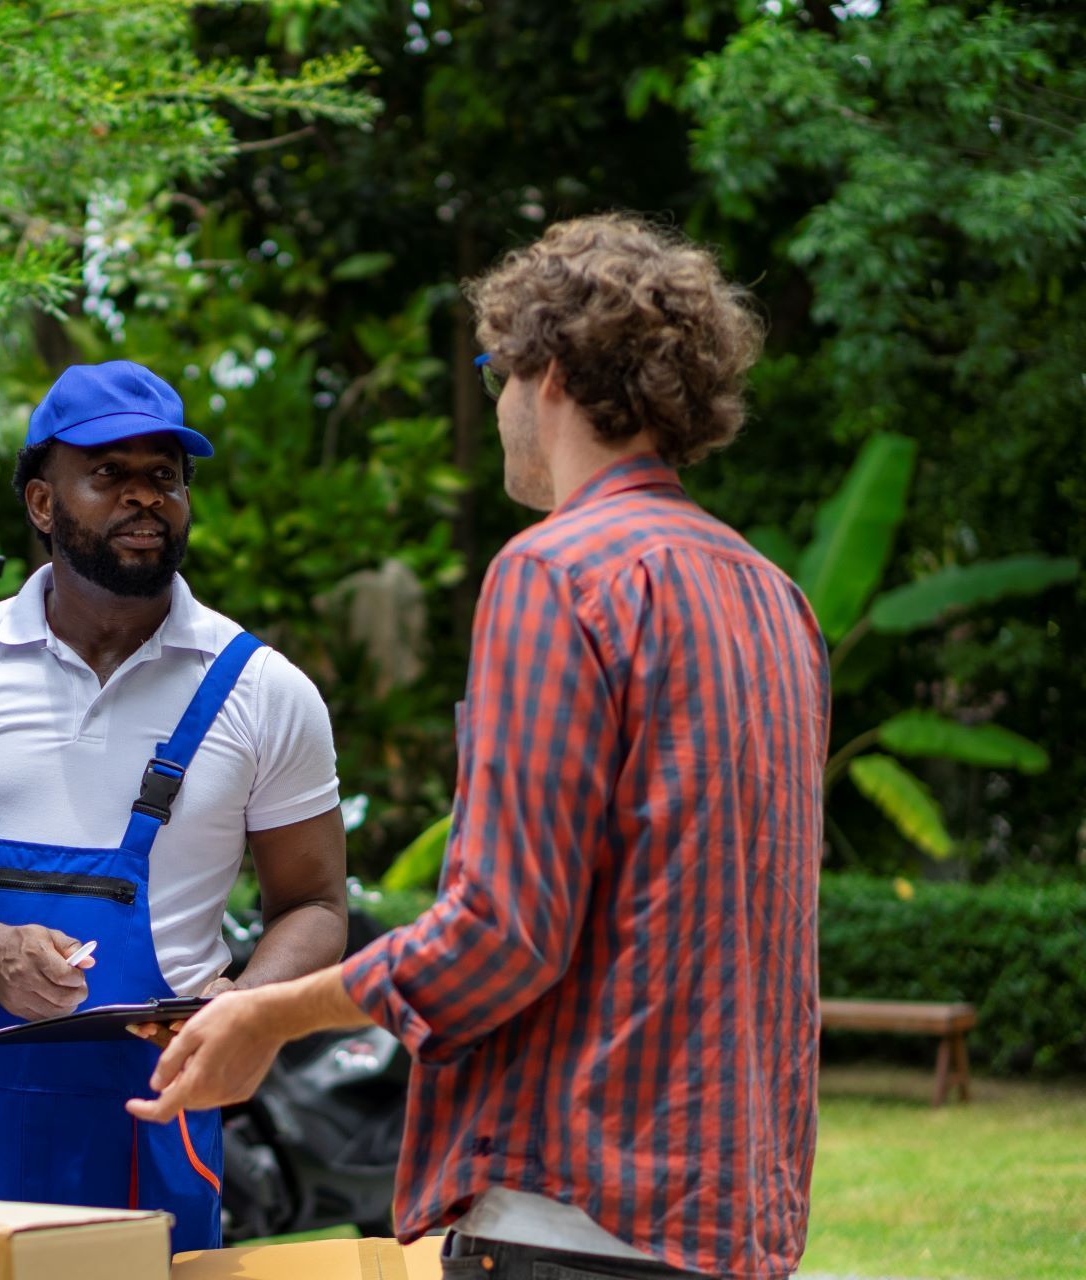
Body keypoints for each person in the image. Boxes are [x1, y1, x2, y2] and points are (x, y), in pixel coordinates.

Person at [127, 215, 830, 1280]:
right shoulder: (773, 597)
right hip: (735, 1217)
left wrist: (269, 1012)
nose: (497, 399)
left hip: (572, 1218)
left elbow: (501, 930)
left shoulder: (554, 574)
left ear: (545, 372)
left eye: (493, 368)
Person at [0, 360, 348, 1251]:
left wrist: (249, 1006)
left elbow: (316, 905)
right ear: (41, 502)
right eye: (109, 475)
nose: (145, 498)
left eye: (165, 476)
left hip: (157, 1117)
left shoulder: (263, 691)